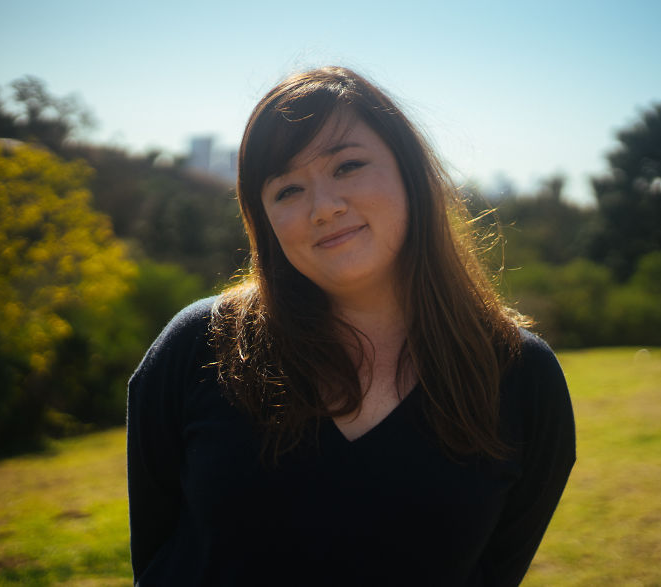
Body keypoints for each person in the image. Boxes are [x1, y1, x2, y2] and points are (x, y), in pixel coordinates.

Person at [127, 66, 575, 587]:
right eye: (287, 189)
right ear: (263, 221)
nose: (324, 207)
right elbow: (156, 557)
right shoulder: (198, 347)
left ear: (410, 173)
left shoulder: (521, 376)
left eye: (348, 166)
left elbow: (495, 570)